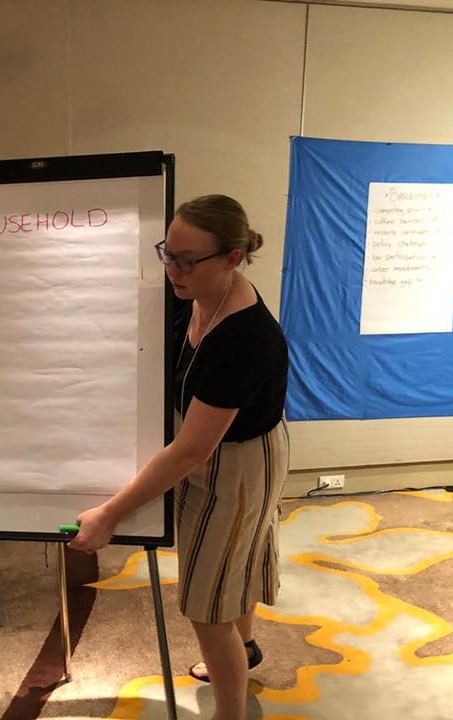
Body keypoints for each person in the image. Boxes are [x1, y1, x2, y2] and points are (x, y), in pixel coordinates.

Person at [69, 194, 289, 720]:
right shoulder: (196, 291)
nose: (173, 269)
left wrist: (110, 512)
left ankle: (229, 711)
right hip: (227, 447)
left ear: (233, 257)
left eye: (188, 260)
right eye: (168, 253)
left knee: (206, 605)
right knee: (229, 566)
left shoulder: (244, 337)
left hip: (239, 461)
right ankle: (246, 647)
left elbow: (192, 449)